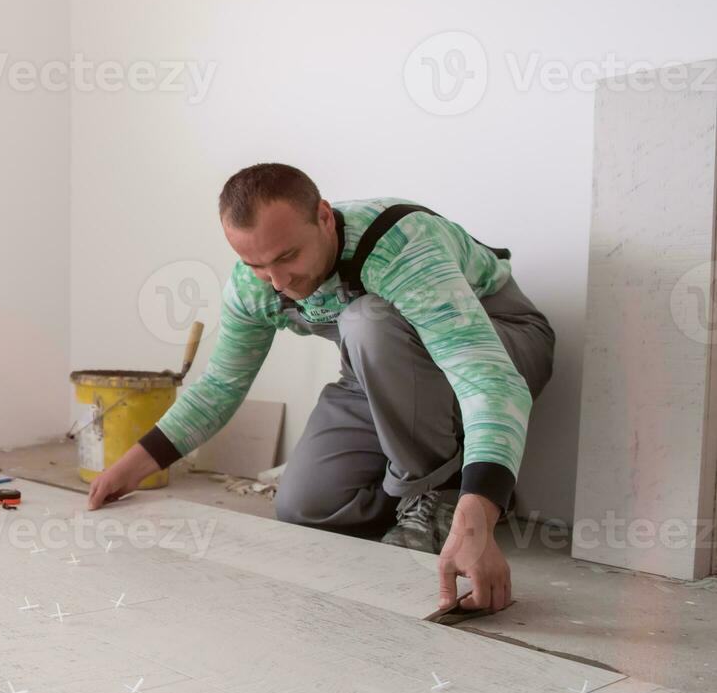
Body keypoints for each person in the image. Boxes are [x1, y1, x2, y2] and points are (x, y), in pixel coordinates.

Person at [86, 163, 555, 613]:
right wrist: (132, 466)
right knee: (303, 506)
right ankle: (459, 488)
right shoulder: (259, 285)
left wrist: (478, 519)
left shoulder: (400, 244)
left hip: (498, 343)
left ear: (325, 218)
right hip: (385, 369)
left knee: (366, 320)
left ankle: (444, 496)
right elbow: (221, 384)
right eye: (257, 265)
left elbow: (486, 378)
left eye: (288, 256)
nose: (280, 282)